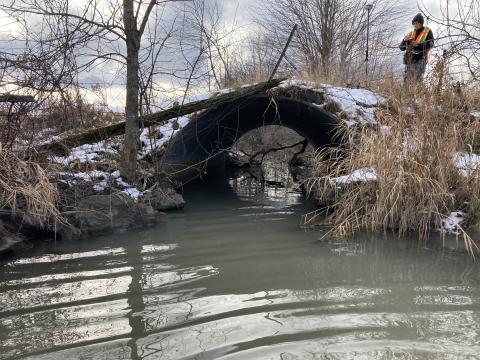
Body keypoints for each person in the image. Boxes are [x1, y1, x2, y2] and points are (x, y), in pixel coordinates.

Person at [399, 13, 434, 84]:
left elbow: (431, 44)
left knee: (417, 83)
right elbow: (401, 48)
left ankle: (417, 95)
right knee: (407, 83)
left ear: (421, 23)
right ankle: (405, 95)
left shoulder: (427, 32)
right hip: (409, 61)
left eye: (417, 23)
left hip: (420, 60)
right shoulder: (411, 33)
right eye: (414, 23)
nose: (415, 25)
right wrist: (404, 41)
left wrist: (417, 45)